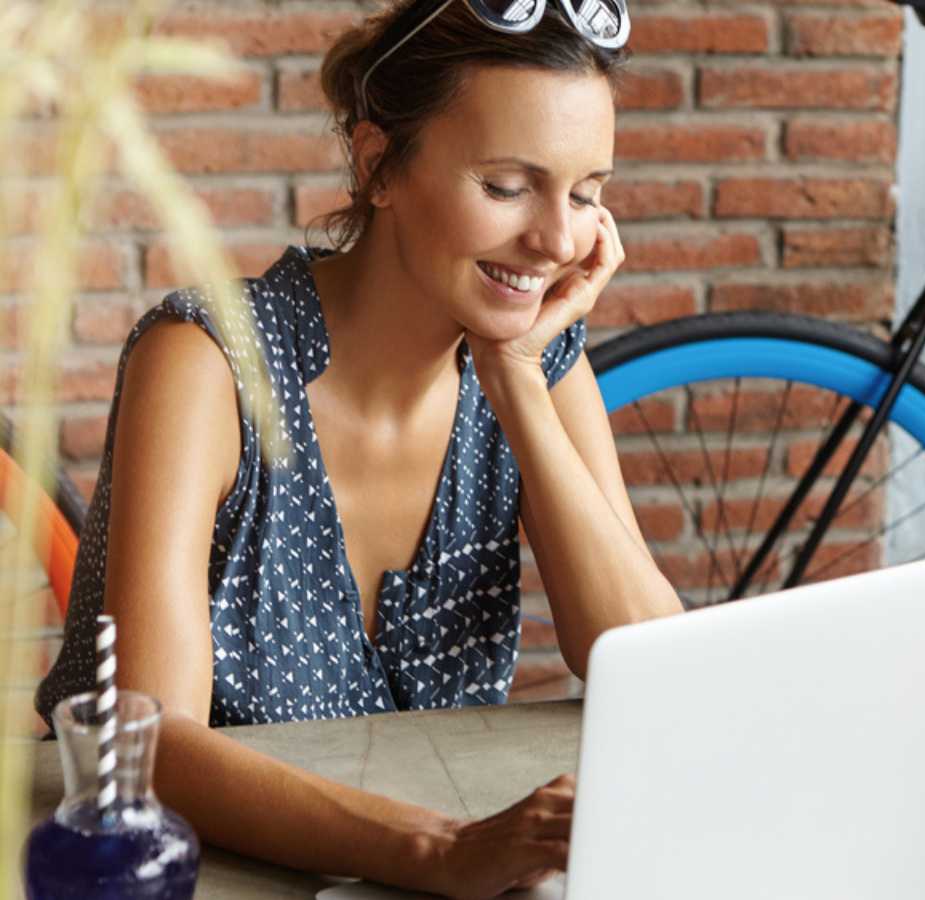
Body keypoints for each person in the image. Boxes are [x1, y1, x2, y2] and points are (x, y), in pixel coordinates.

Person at [34, 1, 681, 896]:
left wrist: (514, 374)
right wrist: (438, 852)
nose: (557, 240)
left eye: (585, 193)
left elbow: (653, 671)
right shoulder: (206, 361)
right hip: (187, 872)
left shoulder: (539, 364)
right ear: (379, 164)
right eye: (506, 186)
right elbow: (158, 746)